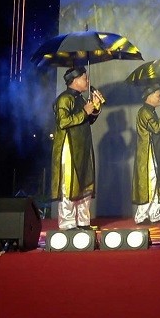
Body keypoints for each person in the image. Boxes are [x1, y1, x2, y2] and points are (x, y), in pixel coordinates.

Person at [50, 66, 103, 230]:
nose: (87, 81)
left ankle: (83, 221)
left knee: (84, 184)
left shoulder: (80, 99)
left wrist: (95, 107)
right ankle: (67, 223)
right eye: (84, 78)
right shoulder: (64, 99)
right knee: (69, 185)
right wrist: (85, 112)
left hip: (83, 147)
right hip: (70, 148)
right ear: (74, 80)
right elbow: (63, 122)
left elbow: (88, 120)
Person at [132, 84, 160, 225]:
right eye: (158, 95)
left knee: (157, 183)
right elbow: (156, 128)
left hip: (155, 152)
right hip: (148, 154)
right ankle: (142, 215)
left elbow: (159, 132)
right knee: (149, 183)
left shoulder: (151, 112)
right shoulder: (144, 112)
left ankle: (154, 213)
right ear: (149, 97)